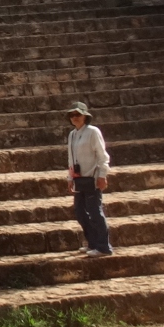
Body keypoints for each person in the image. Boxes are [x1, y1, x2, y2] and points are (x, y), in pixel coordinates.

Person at [66, 102, 113, 256]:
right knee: (80, 212)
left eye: (77, 115)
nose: (75, 118)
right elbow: (71, 158)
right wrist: (70, 177)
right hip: (79, 179)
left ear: (85, 116)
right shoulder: (72, 134)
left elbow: (102, 155)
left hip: (92, 178)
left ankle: (103, 246)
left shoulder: (93, 132)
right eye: (72, 115)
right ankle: (92, 242)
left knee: (95, 212)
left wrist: (102, 175)